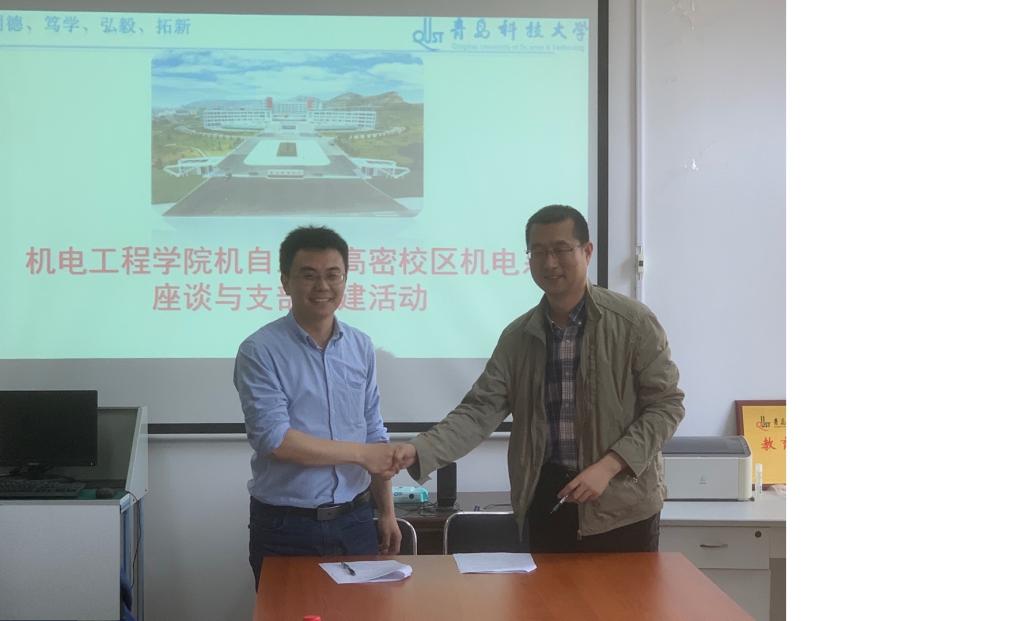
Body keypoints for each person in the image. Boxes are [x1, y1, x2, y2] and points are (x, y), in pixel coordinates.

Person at [395, 205, 684, 552]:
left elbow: (666, 406)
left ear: (587, 251)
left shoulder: (632, 323)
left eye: (561, 249)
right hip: (547, 502)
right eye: (538, 252)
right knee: (546, 591)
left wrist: (609, 466)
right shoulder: (518, 337)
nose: (549, 263)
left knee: (624, 592)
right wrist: (419, 449)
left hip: (622, 505)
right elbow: (478, 412)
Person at [234, 225, 401, 589]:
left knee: (361, 614)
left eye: (333, 275)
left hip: (356, 520)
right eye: (308, 275)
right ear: (285, 281)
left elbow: (374, 431)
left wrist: (387, 512)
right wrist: (361, 454)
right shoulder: (259, 351)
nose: (322, 286)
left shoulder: (360, 346)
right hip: (286, 526)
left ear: (345, 279)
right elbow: (276, 440)